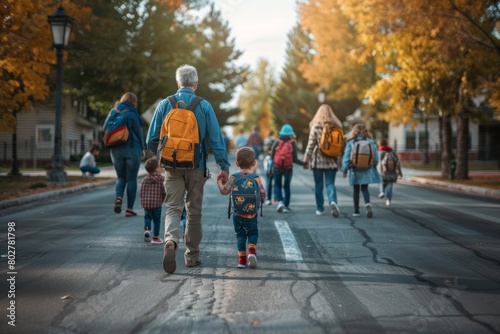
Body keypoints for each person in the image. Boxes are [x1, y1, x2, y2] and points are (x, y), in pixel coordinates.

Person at [146, 64, 230, 274]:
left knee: (173, 207)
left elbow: (150, 139)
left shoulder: (166, 104)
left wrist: (161, 155)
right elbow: (216, 140)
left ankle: (170, 240)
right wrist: (224, 165)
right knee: (193, 211)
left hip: (171, 166)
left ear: (178, 83)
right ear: (196, 83)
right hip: (196, 165)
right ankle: (192, 256)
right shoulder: (204, 106)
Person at [217, 147, 266, 269]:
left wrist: (219, 181)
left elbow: (224, 191)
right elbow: (263, 193)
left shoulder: (234, 177)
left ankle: (242, 261)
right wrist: (262, 199)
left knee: (240, 235)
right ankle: (252, 253)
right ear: (254, 163)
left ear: (237, 163)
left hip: (237, 213)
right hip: (252, 214)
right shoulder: (256, 178)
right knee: (253, 233)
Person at [103, 92, 146, 217]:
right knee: (131, 179)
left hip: (116, 150)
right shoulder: (133, 113)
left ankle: (118, 198)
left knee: (121, 177)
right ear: (134, 102)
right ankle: (129, 209)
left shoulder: (113, 111)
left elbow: (103, 129)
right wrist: (142, 149)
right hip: (133, 149)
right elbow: (139, 132)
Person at [304, 104, 343, 217]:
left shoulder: (316, 126)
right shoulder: (337, 126)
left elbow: (310, 145)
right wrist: (339, 162)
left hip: (318, 161)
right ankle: (333, 201)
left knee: (319, 185)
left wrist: (306, 160)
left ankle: (319, 209)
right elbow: (340, 146)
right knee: (330, 183)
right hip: (332, 161)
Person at [341, 123, 381, 218]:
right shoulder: (370, 142)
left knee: (356, 190)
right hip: (367, 169)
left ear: (354, 131)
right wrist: (373, 165)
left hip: (355, 169)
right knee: (364, 188)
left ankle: (356, 211)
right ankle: (367, 203)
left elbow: (346, 158)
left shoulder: (351, 142)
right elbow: (376, 157)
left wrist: (344, 170)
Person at [271, 124, 306, 213]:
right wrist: (304, 163)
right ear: (290, 133)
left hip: (277, 167)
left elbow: (272, 156)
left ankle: (280, 202)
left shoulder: (277, 141)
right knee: (287, 187)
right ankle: (286, 206)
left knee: (277, 185)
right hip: (288, 168)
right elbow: (294, 159)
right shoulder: (292, 142)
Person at [140, 158, 166, 244]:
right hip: (157, 204)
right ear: (156, 168)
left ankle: (147, 230)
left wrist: (143, 201)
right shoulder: (161, 179)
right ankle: (155, 237)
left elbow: (141, 191)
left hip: (146, 204)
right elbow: (164, 191)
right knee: (156, 220)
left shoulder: (145, 179)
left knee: (147, 218)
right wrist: (164, 199)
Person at [377, 138, 403, 206]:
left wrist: (379, 172)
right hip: (392, 172)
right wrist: (400, 173)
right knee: (390, 186)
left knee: (382, 182)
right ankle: (388, 200)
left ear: (379, 144)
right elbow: (398, 163)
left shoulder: (380, 152)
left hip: (383, 172)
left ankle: (382, 191)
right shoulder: (392, 152)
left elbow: (379, 164)